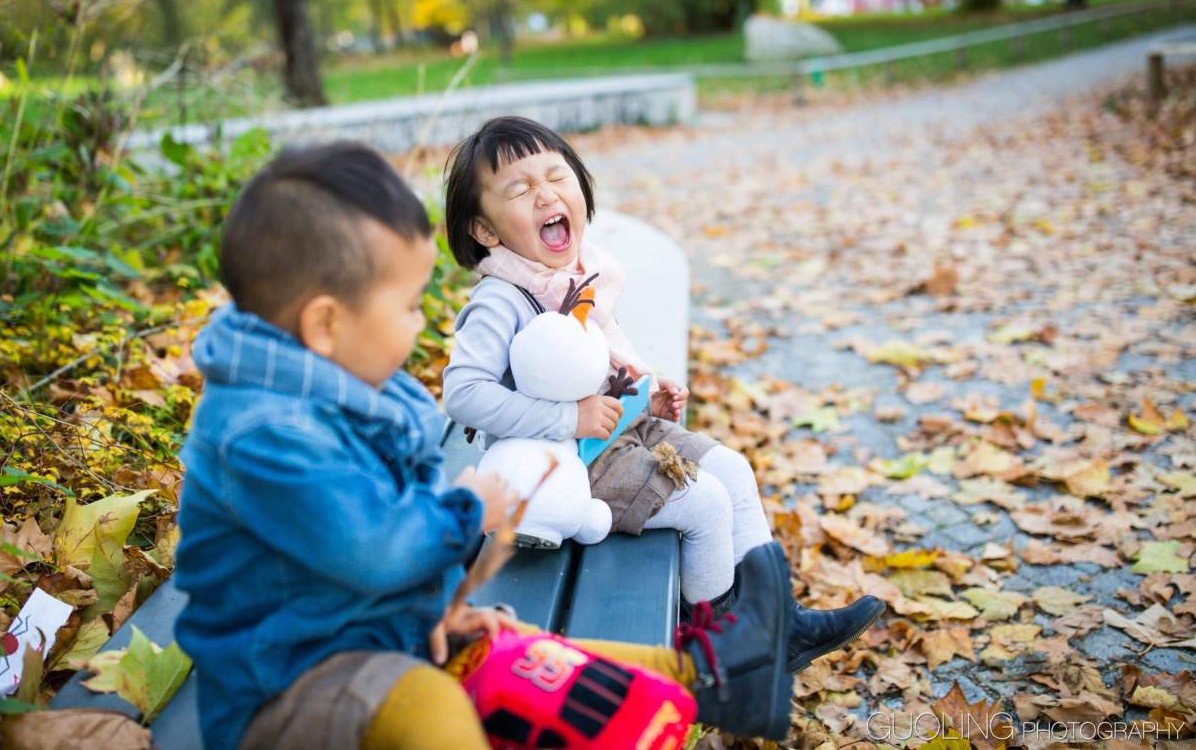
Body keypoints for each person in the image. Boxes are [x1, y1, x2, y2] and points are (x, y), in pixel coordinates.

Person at [173, 141, 803, 749]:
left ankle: (718, 678)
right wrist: (465, 514)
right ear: (326, 324)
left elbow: (360, 555)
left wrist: (444, 610)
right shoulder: (266, 436)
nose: (422, 323)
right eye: (409, 305)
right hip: (291, 685)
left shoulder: (341, 393)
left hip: (378, 637)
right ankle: (718, 673)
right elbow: (369, 549)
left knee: (539, 658)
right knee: (434, 706)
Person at [441, 116, 885, 669]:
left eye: (557, 177)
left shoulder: (577, 276)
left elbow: (588, 365)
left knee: (734, 471)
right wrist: (567, 417)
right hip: (567, 463)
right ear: (484, 230)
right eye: (520, 189)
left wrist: (642, 396)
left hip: (617, 431)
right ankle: (723, 650)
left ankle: (780, 622)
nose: (546, 195)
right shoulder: (501, 299)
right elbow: (463, 394)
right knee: (705, 504)